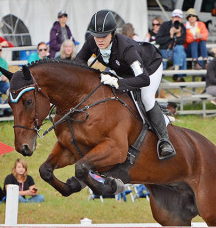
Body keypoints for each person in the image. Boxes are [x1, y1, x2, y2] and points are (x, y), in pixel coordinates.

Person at [74, 9, 175, 160]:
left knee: (146, 97)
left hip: (149, 68)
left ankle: (164, 140)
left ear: (113, 33)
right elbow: (79, 61)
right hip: (123, 70)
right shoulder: (92, 41)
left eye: (104, 36)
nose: (100, 40)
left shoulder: (126, 49)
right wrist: (90, 76)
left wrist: (117, 82)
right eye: (96, 36)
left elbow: (143, 79)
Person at [155, 9, 187, 82]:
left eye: (179, 17)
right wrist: (171, 36)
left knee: (180, 49)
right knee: (183, 55)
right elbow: (158, 40)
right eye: (175, 17)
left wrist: (178, 34)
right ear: (172, 18)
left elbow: (182, 42)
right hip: (165, 51)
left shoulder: (182, 28)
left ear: (181, 19)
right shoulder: (165, 25)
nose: (177, 19)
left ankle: (176, 72)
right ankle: (179, 75)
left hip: (176, 53)